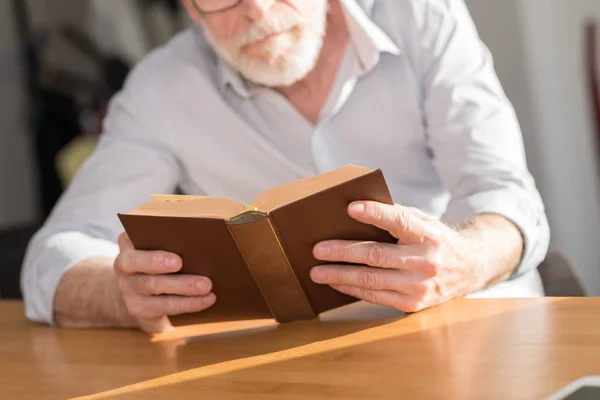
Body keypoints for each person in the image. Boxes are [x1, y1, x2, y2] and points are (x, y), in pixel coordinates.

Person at [22, 0, 550, 333]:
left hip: (469, 328)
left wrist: (466, 261)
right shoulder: (162, 87)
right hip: (289, 369)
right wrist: (122, 295)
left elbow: (504, 194)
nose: (255, 9)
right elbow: (53, 255)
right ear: (190, 8)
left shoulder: (422, 17)